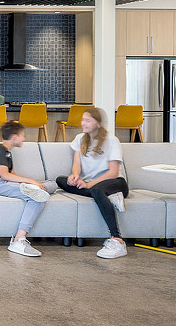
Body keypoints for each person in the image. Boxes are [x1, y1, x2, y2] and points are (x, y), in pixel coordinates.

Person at [55, 107, 130, 259]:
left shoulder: (111, 141)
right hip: (92, 185)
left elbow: (113, 172)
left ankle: (117, 240)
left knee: (97, 191)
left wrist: (89, 185)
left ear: (98, 123)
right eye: (83, 120)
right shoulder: (80, 139)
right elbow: (77, 164)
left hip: (115, 183)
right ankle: (108, 199)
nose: (83, 123)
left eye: (88, 120)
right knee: (60, 180)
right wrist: (75, 176)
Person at [0, 120, 51, 257]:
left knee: (49, 185)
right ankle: (18, 240)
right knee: (38, 197)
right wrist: (31, 181)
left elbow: (12, 174)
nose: (24, 138)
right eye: (23, 135)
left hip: (4, 183)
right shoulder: (1, 150)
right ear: (15, 137)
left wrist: (32, 183)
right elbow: (4, 175)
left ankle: (36, 190)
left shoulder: (8, 152)